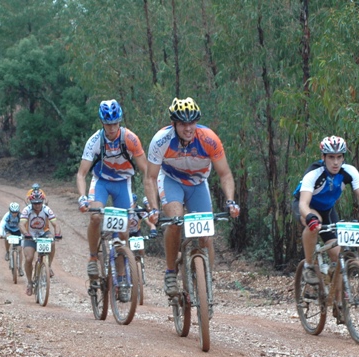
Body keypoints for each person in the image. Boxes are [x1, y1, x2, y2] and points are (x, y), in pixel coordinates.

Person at [143, 97, 240, 297]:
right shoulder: (161, 140)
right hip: (171, 181)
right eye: (182, 124)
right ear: (174, 124)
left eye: (192, 122)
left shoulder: (209, 139)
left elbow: (225, 174)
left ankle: (206, 283)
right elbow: (150, 178)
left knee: (206, 235)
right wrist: (153, 208)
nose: (188, 128)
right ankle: (171, 272)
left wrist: (230, 201)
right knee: (175, 221)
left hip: (198, 183)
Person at [293, 135, 359, 284]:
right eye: (331, 157)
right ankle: (309, 266)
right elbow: (303, 204)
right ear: (323, 157)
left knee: (338, 257)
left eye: (339, 157)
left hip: (327, 210)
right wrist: (310, 218)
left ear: (343, 157)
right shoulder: (313, 174)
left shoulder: (349, 172)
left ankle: (338, 294)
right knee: (314, 223)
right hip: (306, 207)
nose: (336, 162)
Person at [76, 99, 148, 282]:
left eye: (115, 123)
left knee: (123, 232)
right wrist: (82, 197)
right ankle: (93, 257)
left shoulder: (130, 139)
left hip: (123, 183)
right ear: (102, 123)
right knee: (95, 217)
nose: (112, 128)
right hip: (101, 182)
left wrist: (149, 198)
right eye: (108, 124)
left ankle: (121, 276)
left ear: (120, 121)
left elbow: (146, 171)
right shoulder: (94, 141)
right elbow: (81, 174)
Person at [20, 191, 62, 295]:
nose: (37, 205)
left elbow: (56, 224)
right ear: (31, 203)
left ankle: (49, 266)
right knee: (29, 258)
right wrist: (26, 233)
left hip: (43, 233)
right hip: (30, 235)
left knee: (52, 243)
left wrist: (57, 234)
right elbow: (21, 224)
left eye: (39, 203)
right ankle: (30, 283)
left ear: (42, 202)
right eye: (35, 203)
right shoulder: (27, 210)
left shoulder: (47, 209)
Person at [0, 202, 24, 276]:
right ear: (10, 211)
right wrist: (0, 234)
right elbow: (2, 224)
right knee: (7, 237)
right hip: (9, 230)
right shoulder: (7, 215)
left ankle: (20, 267)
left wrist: (24, 236)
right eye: (13, 212)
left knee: (20, 249)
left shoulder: (21, 216)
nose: (14, 214)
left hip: (18, 231)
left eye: (16, 212)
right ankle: (7, 252)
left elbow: (24, 225)